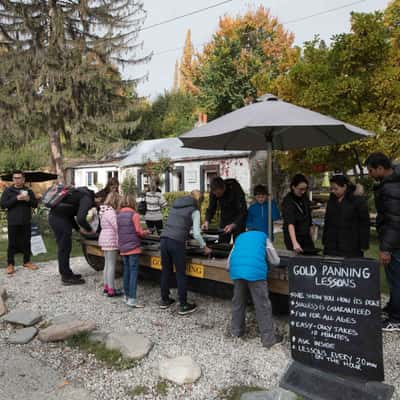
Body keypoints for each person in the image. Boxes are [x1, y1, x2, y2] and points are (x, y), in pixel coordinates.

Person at [227, 229, 282, 348]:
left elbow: (228, 263)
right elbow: (276, 261)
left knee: (238, 302)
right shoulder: (263, 236)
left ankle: (236, 331)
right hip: (255, 273)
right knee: (262, 305)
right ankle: (268, 339)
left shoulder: (240, 237)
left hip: (236, 271)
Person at [160, 190, 212, 315]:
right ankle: (183, 305)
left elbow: (176, 224)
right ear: (199, 201)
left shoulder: (176, 206)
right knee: (180, 273)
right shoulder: (194, 210)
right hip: (177, 243)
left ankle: (165, 300)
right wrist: (205, 247)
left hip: (164, 239)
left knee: (166, 270)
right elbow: (196, 233)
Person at [366, 152, 400, 331]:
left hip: (395, 243)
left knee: (396, 280)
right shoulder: (389, 183)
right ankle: (394, 307)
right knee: (394, 278)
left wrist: (386, 248)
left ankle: (397, 318)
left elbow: (395, 221)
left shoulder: (391, 188)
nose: (369, 174)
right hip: (393, 240)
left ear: (380, 168)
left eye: (371, 170)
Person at [49, 186, 95, 285]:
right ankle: (66, 277)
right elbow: (81, 218)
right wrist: (90, 230)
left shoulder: (77, 194)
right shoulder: (87, 198)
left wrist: (78, 229)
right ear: (96, 198)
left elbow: (69, 214)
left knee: (65, 248)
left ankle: (67, 273)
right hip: (60, 221)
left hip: (56, 218)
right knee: (64, 248)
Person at [0, 170, 39, 274]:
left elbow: (35, 204)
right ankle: (10, 264)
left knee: (27, 242)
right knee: (12, 243)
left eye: (19, 178)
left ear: (23, 179)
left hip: (26, 221)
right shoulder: (8, 191)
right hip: (13, 221)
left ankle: (27, 261)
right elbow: (3, 205)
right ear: (13, 179)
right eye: (15, 178)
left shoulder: (28, 191)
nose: (17, 180)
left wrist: (28, 200)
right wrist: (16, 198)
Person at [322, 174, 370, 258]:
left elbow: (364, 223)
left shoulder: (357, 200)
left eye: (336, 188)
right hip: (331, 245)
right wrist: (325, 240)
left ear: (344, 186)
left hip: (351, 245)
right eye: (331, 189)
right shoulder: (331, 200)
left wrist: (364, 244)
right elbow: (327, 220)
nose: (333, 191)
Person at [117, 193, 150, 308]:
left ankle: (126, 295)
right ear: (132, 202)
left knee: (126, 271)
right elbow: (138, 232)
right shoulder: (134, 215)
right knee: (133, 273)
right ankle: (132, 299)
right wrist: (146, 232)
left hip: (123, 247)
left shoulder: (119, 215)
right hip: (133, 248)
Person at [202, 177, 247, 243]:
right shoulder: (213, 191)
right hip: (225, 217)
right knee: (222, 243)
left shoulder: (235, 188)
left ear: (223, 187)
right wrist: (206, 221)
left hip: (238, 217)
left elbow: (243, 211)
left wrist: (234, 224)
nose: (217, 196)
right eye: (215, 194)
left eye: (219, 193)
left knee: (239, 244)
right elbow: (211, 207)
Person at [282, 174, 315, 253]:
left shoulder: (304, 198)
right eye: (300, 189)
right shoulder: (288, 201)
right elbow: (290, 223)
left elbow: (308, 218)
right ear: (293, 187)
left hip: (306, 235)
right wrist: (294, 243)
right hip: (294, 236)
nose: (303, 191)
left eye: (305, 189)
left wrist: (311, 234)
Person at [98, 191, 122, 297]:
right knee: (112, 265)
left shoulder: (104, 211)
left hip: (105, 239)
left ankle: (106, 287)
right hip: (111, 240)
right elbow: (117, 226)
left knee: (107, 264)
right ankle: (112, 289)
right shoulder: (111, 212)